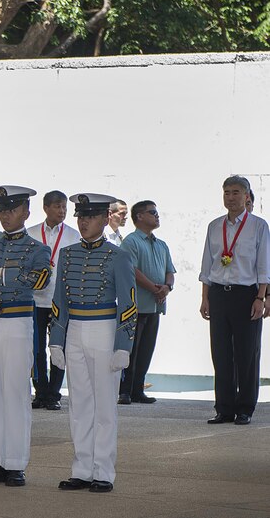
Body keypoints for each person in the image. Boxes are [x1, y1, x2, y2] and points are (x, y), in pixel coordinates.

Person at [50, 193, 137, 493]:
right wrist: (56, 341)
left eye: (90, 216)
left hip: (103, 329)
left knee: (104, 407)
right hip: (75, 330)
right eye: (80, 216)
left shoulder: (119, 256)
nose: (83, 221)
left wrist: (123, 345)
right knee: (80, 404)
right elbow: (59, 301)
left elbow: (128, 303)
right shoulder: (68, 254)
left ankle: (103, 471)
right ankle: (82, 469)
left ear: (104, 219)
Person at [0, 186, 51, 487]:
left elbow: (41, 279)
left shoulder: (36, 248)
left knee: (15, 393)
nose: (4, 216)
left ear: (26, 213)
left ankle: (15, 462)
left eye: (11, 210)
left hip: (17, 322)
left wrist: (2, 275)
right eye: (1, 210)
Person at [199, 175, 268, 426]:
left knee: (246, 353)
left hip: (246, 294)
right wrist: (205, 298)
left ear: (247, 195)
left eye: (236, 192)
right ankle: (224, 408)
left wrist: (261, 297)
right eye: (227, 192)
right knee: (220, 352)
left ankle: (245, 407)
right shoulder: (214, 226)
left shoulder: (258, 226)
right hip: (218, 293)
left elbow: (263, 265)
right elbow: (207, 264)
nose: (231, 197)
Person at [117, 201, 176, 405]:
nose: (157, 215)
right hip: (136, 306)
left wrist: (167, 287)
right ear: (139, 216)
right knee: (130, 350)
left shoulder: (161, 244)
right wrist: (153, 287)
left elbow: (170, 270)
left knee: (146, 350)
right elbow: (132, 270)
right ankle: (124, 390)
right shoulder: (131, 242)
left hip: (155, 306)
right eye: (152, 212)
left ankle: (137, 390)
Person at [28, 190, 81, 410]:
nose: (62, 211)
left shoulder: (73, 235)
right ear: (46, 208)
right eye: (57, 207)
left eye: (64, 208)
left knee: (58, 346)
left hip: (60, 300)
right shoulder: (30, 233)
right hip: (35, 300)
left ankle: (54, 394)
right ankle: (39, 391)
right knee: (36, 347)